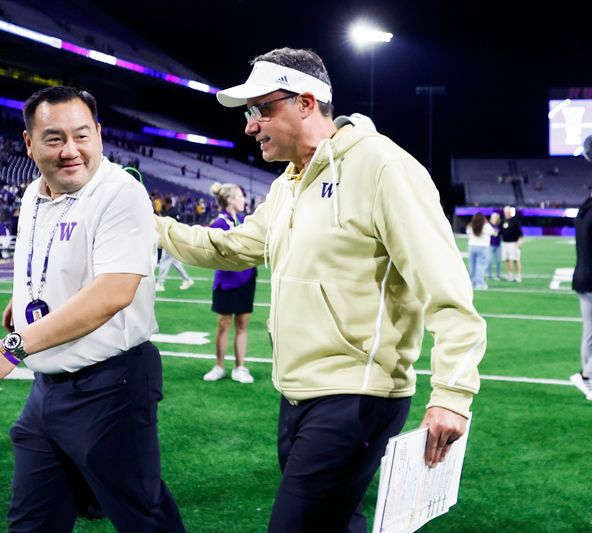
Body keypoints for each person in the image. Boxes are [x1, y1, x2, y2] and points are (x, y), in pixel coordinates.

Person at [155, 47, 486, 532]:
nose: (251, 125)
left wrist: (453, 393)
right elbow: (231, 246)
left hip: (357, 394)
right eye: (250, 112)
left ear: (307, 103)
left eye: (262, 109)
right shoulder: (287, 184)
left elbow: (446, 287)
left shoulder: (383, 167)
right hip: (297, 394)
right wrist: (148, 225)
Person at [0, 86, 186, 533]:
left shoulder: (120, 191)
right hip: (47, 387)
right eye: (54, 138)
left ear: (99, 133)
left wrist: (9, 349)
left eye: (81, 136)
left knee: (144, 517)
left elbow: (113, 291)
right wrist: (29, 294)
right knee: (31, 522)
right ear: (28, 143)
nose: (70, 150)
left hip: (112, 384)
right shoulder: (34, 193)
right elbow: (53, 255)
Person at [202, 182, 257, 384]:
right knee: (224, 324)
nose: (244, 200)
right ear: (230, 200)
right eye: (240, 196)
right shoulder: (219, 223)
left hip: (247, 278)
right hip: (226, 281)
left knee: (242, 324)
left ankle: (240, 367)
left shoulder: (243, 221)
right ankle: (219, 366)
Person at [571, 194, 592, 400]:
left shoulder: (583, 210)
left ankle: (588, 381)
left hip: (582, 276)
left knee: (589, 332)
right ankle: (586, 374)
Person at [156, 196, 194, 292]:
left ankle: (160, 284)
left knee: (165, 261)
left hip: (171, 239)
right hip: (167, 238)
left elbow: (177, 225)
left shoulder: (173, 212)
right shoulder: (168, 212)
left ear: (166, 202)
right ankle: (187, 279)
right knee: (173, 262)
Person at [465, 212, 495, 290]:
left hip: (472, 246)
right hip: (483, 247)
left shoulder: (470, 225)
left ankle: (473, 283)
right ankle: (480, 283)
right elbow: (493, 232)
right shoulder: (486, 226)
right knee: (481, 266)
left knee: (472, 266)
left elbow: (468, 233)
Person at [500, 205, 523, 282]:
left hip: (514, 243)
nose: (506, 213)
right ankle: (509, 274)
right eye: (505, 212)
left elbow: (520, 233)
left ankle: (518, 275)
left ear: (510, 212)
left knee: (516, 259)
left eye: (507, 211)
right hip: (505, 243)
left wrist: (519, 241)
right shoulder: (503, 221)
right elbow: (500, 232)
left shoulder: (515, 221)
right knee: (507, 259)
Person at [486, 211, 502, 281]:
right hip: (490, 245)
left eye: (495, 217)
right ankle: (489, 275)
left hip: (498, 245)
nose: (494, 219)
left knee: (498, 261)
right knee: (489, 261)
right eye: (493, 217)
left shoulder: (499, 225)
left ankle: (498, 275)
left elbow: (501, 233)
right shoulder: (488, 225)